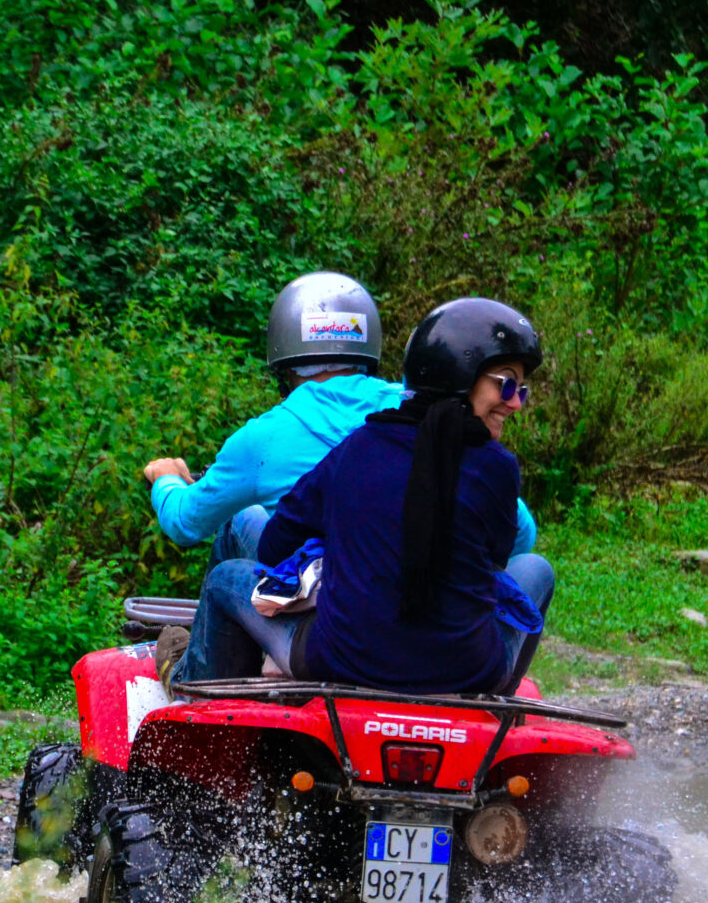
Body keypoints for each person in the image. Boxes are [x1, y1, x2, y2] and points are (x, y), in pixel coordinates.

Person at [165, 297, 553, 697]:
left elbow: (273, 546)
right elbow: (498, 560)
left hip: (342, 662)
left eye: (520, 389)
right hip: (469, 673)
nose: (514, 403)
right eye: (506, 384)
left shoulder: (358, 447)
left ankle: (192, 693)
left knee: (226, 578)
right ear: (460, 375)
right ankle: (495, 705)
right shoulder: (498, 466)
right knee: (537, 569)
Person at [143, 272, 537, 566]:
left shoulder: (262, 440)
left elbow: (185, 523)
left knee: (241, 518)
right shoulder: (423, 412)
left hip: (321, 611)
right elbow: (520, 532)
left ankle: (207, 669)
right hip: (419, 598)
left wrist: (166, 480)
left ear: (283, 361)